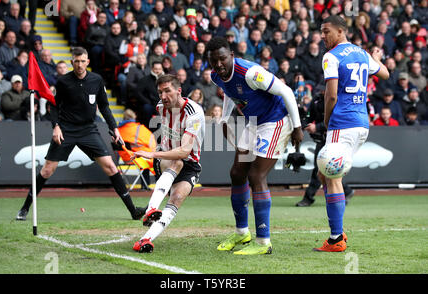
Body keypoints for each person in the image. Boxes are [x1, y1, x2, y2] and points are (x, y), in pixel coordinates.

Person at [15, 47, 145, 221]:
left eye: (83, 61)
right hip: (66, 129)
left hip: (88, 129)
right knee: (47, 170)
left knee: (111, 167)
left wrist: (114, 128)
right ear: (71, 62)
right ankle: (24, 209)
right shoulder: (63, 82)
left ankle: (133, 211)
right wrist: (56, 126)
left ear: (88, 62)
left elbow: (104, 106)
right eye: (76, 61)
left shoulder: (96, 80)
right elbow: (54, 106)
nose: (79, 64)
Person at [207, 36, 304, 255]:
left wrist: (297, 127)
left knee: (256, 176)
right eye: (214, 61)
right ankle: (242, 233)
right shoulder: (217, 75)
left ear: (232, 55)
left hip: (275, 120)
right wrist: (224, 118)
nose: (219, 64)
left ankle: (263, 242)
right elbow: (230, 93)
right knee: (237, 172)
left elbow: (286, 92)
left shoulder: (251, 73)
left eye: (222, 59)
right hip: (253, 122)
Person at [315, 15, 389, 252]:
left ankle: (336, 238)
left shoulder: (331, 56)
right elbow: (385, 74)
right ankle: (338, 227)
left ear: (340, 31)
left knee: (332, 177)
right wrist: (375, 59)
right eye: (321, 32)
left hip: (342, 124)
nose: (322, 36)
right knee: (323, 175)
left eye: (326, 31)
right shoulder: (361, 53)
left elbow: (331, 95)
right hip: (361, 125)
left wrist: (327, 120)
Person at [132, 74, 205, 253]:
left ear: (179, 91)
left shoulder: (194, 113)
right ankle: (151, 209)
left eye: (167, 91)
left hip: (191, 162)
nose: (163, 96)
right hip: (167, 159)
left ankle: (145, 239)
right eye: (160, 92)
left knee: (177, 198)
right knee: (176, 162)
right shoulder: (161, 107)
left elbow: (185, 150)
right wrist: (158, 154)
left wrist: (151, 153)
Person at [295, 85, 354, 207]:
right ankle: (346, 191)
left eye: (324, 89)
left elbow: (336, 118)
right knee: (323, 168)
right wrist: (304, 126)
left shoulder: (337, 99)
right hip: (321, 139)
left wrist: (317, 127)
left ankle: (308, 198)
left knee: (321, 168)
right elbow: (309, 116)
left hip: (334, 138)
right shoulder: (316, 100)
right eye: (320, 90)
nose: (321, 92)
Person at [117, 108, 157, 190]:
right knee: (154, 160)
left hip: (125, 158)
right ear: (134, 117)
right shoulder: (139, 128)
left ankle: (145, 185)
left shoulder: (118, 130)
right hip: (136, 158)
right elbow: (151, 141)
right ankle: (154, 184)